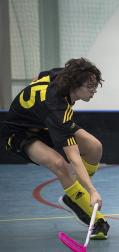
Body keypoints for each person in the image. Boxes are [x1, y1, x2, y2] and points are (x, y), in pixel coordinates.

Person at [2, 58, 110, 239]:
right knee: (61, 164)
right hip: (19, 132)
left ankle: (74, 195)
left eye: (95, 85)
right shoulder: (57, 111)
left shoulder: (64, 75)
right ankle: (95, 218)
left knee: (94, 147)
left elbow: (38, 76)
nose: (94, 90)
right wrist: (92, 191)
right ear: (75, 85)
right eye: (89, 86)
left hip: (43, 122)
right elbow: (74, 157)